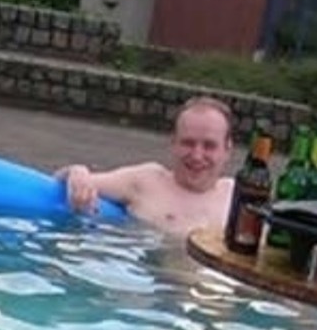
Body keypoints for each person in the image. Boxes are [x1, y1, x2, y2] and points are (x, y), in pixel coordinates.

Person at [56, 96, 235, 237]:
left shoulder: (237, 199)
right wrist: (77, 171)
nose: (197, 155)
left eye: (209, 146)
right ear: (173, 143)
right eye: (188, 143)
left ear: (227, 150)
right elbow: (61, 180)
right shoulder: (146, 181)